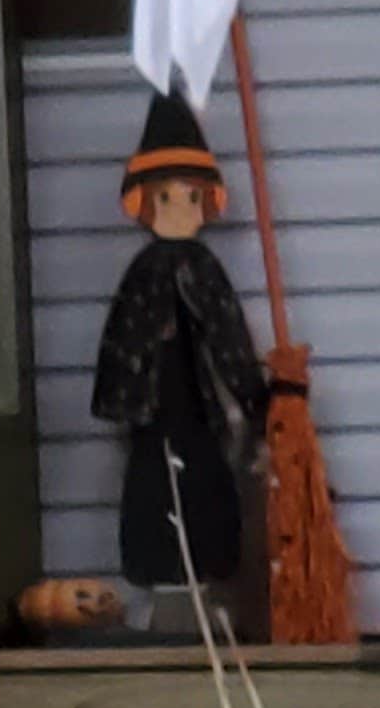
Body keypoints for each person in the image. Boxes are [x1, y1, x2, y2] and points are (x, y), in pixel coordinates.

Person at [90, 87, 269, 603]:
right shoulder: (143, 273)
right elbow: (124, 334)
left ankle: (209, 573)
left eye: (192, 197)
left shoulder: (205, 270)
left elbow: (228, 331)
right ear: (146, 202)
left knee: (206, 479)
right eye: (168, 197)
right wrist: (121, 396)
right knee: (154, 481)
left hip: (200, 400)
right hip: (154, 402)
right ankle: (161, 576)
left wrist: (254, 397)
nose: (180, 208)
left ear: (206, 201)